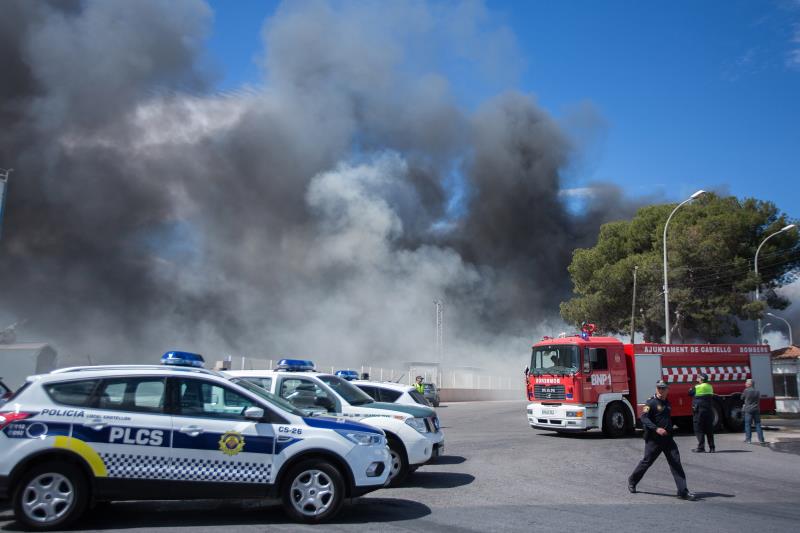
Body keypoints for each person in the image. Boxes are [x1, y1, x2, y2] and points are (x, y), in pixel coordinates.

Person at [628, 380, 697, 501]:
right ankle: (632, 481)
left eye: (662, 388)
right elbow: (643, 418)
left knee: (676, 463)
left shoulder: (667, 403)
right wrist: (656, 429)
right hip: (654, 440)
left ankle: (682, 491)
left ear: (667, 390)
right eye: (658, 388)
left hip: (668, 439)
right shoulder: (651, 402)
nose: (660, 390)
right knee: (647, 462)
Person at [688, 373, 715, 453]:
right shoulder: (710, 386)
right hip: (709, 411)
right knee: (709, 429)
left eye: (699, 377)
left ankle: (701, 447)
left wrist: (691, 389)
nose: (697, 378)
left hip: (699, 411)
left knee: (698, 428)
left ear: (702, 379)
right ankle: (712, 448)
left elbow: (689, 393)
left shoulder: (697, 387)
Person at [742, 379, 766, 445]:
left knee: (748, 424)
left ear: (750, 384)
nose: (745, 384)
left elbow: (742, 397)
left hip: (748, 410)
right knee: (758, 424)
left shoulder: (746, 391)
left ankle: (748, 439)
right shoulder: (757, 391)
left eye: (746, 383)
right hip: (756, 409)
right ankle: (761, 440)